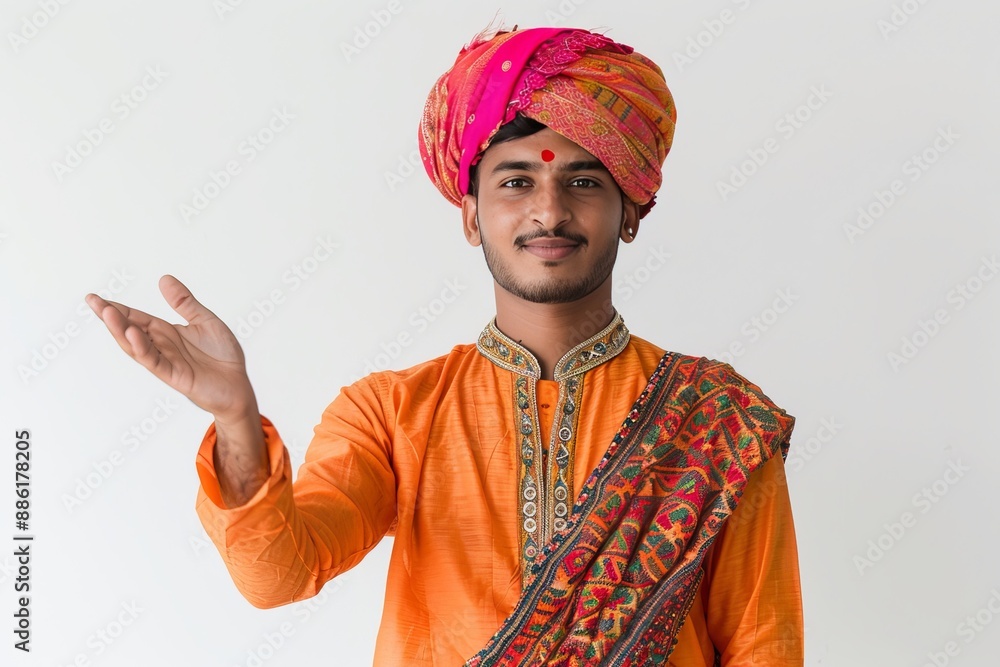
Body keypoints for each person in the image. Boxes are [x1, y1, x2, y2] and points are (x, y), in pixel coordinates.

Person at [87, 25, 803, 666]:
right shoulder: (393, 413)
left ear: (632, 212)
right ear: (471, 215)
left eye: (582, 181)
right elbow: (277, 574)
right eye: (516, 181)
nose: (548, 209)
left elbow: (765, 646)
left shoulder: (717, 419)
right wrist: (236, 419)